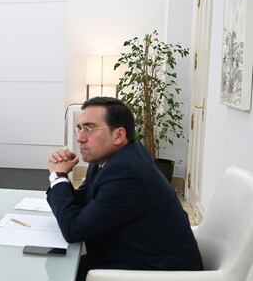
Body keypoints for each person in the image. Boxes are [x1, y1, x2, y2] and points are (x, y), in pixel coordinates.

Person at [47, 97, 203, 281]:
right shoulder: (112, 158)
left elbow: (74, 230)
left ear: (119, 135)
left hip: (156, 273)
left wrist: (58, 177)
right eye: (79, 128)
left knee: (53, 270)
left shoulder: (127, 172)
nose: (80, 137)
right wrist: (61, 179)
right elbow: (86, 198)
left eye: (89, 128)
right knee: (53, 265)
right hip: (132, 258)